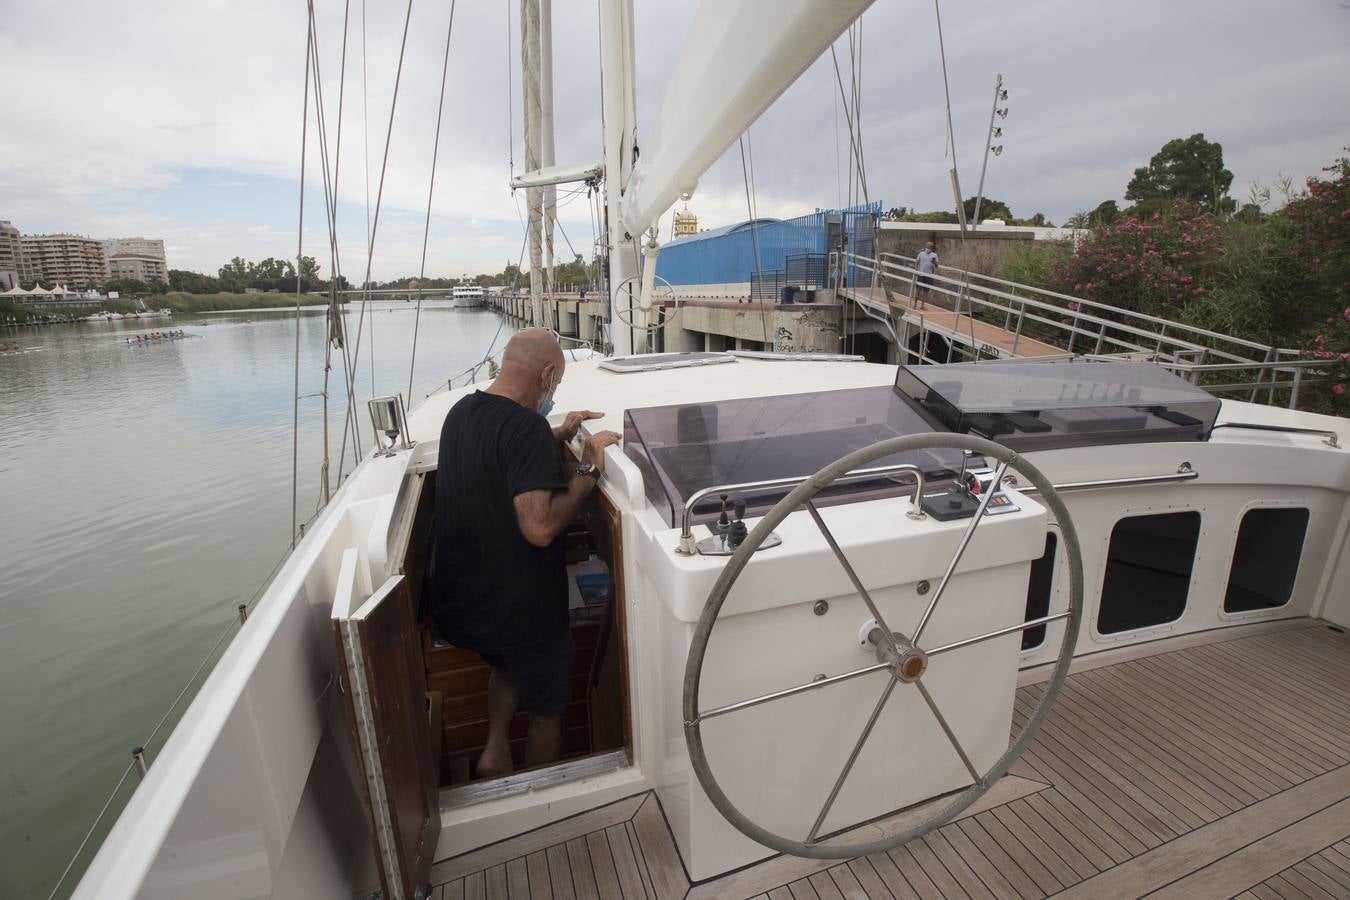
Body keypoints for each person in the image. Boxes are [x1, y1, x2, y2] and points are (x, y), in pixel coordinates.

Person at [430, 328, 621, 777]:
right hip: (522, 613)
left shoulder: (461, 411)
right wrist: (590, 466)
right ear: (548, 373)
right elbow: (539, 528)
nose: (553, 392)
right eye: (556, 383)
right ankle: (539, 790)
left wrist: (558, 433)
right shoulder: (527, 427)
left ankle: (494, 751)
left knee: (506, 665)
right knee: (547, 708)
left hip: (467, 604)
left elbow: (500, 456)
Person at [915, 241, 940, 310]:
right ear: (926, 246)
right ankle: (915, 304)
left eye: (930, 246)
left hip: (929, 275)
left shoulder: (934, 255)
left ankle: (922, 306)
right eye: (927, 246)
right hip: (921, 274)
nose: (928, 247)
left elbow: (937, 266)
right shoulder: (921, 253)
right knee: (918, 290)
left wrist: (934, 262)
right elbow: (917, 262)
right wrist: (916, 270)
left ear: (932, 247)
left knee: (925, 292)